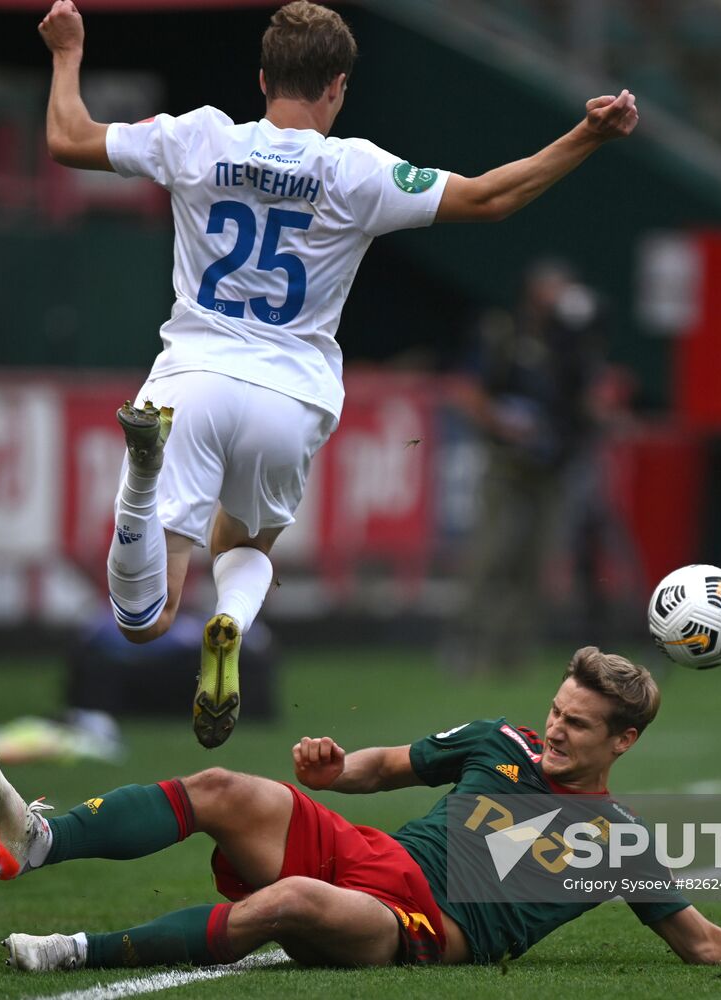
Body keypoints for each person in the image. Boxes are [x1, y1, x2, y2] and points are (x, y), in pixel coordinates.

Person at [36, 0, 641, 747]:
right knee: (245, 547)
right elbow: (491, 197)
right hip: (289, 398)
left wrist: (68, 51)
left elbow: (67, 138)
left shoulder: (196, 137)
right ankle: (229, 621)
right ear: (338, 88)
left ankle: (139, 484)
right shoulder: (356, 170)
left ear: (262, 78)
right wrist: (587, 134)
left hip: (188, 381)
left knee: (144, 619)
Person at [0, 646, 721, 973]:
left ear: (623, 742)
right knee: (221, 791)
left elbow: (700, 943)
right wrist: (330, 773)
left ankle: (74, 953)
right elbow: (384, 767)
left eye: (577, 727)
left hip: (415, 925)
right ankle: (36, 839)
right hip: (364, 847)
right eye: (556, 713)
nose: (554, 730)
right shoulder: (499, 742)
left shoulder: (614, 843)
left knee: (289, 900)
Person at [452, 261, 609, 672]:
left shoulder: (573, 343)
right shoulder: (505, 332)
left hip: (553, 467)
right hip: (507, 464)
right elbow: (469, 391)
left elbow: (587, 399)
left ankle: (513, 654)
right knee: (493, 555)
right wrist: (503, 423)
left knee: (536, 562)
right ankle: (470, 647)